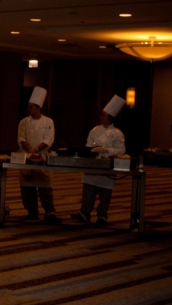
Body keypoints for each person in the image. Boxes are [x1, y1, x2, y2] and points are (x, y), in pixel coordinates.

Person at [71, 95, 126, 227]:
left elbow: (121, 150)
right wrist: (94, 150)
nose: (101, 117)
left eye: (104, 115)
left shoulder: (117, 133)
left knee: (105, 193)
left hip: (107, 166)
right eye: (101, 115)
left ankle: (102, 216)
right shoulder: (95, 130)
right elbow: (88, 145)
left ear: (111, 118)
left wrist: (106, 150)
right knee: (88, 190)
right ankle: (84, 213)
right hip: (93, 164)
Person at [18, 87, 62, 224]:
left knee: (45, 185)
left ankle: (50, 213)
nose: (28, 109)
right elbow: (21, 138)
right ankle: (32, 211)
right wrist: (29, 150)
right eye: (28, 107)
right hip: (26, 156)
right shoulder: (23, 122)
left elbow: (48, 140)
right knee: (27, 186)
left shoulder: (48, 122)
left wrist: (36, 149)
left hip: (42, 156)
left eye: (31, 107)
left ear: (38, 108)